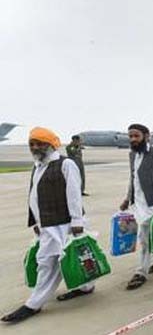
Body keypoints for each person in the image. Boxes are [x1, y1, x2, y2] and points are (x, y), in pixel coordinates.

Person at [2, 128, 93, 324]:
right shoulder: (38, 166)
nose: (35, 147)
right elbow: (33, 195)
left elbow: (74, 194)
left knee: (48, 263)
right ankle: (86, 287)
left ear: (51, 145)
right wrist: (35, 221)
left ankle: (33, 304)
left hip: (65, 224)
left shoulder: (66, 164)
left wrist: (77, 221)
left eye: (40, 143)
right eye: (32, 144)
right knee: (71, 259)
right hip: (47, 224)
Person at [119, 124, 153, 290]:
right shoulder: (133, 155)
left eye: (136, 136)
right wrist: (127, 198)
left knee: (145, 237)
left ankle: (141, 272)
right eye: (131, 136)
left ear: (147, 136)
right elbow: (133, 178)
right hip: (139, 202)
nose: (133, 139)